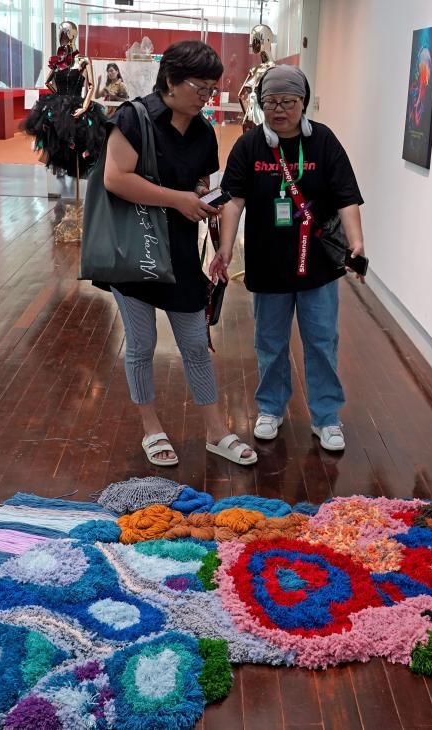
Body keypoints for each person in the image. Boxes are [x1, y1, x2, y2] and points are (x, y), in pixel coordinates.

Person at [102, 40, 257, 467]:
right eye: (199, 87)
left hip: (182, 251)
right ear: (170, 80)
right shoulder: (133, 119)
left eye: (212, 88)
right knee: (141, 343)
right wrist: (178, 199)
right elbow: (116, 179)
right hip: (134, 250)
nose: (207, 95)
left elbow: (201, 184)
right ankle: (151, 428)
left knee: (195, 342)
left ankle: (216, 431)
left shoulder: (204, 131)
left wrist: (206, 208)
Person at [217, 65, 365, 452]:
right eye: (271, 102)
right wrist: (225, 247)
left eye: (288, 102)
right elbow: (233, 200)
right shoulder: (250, 146)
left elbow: (347, 195)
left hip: (318, 265)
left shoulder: (324, 142)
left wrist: (356, 242)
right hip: (268, 263)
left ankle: (326, 416)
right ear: (260, 103)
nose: (279, 110)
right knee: (269, 342)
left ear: (303, 102)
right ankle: (270, 408)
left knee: (321, 341)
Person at [22, 21, 104, 178]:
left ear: (72, 36)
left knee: (79, 141)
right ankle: (62, 168)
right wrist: (58, 96)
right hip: (58, 105)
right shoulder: (58, 61)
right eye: (61, 36)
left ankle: (76, 171)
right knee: (57, 140)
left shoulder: (83, 60)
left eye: (64, 35)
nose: (62, 39)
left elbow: (91, 86)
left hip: (77, 105)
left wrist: (84, 107)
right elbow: (47, 82)